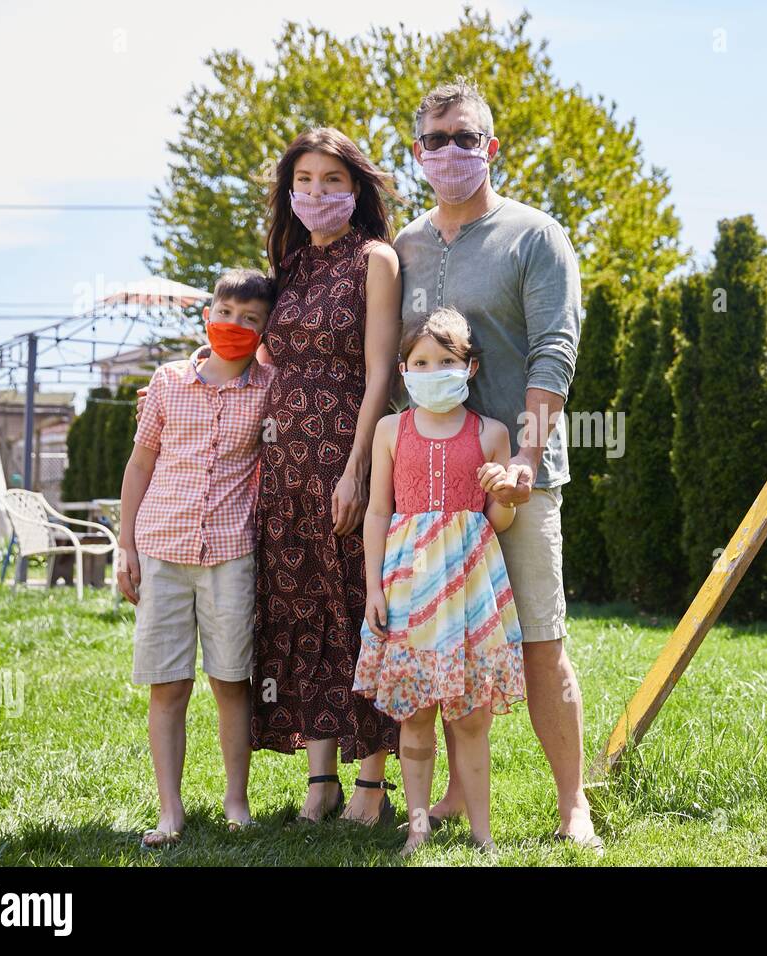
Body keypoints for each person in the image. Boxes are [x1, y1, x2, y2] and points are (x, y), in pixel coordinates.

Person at [393, 80, 600, 848]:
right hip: (431, 491)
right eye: (438, 139)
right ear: (418, 153)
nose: (452, 151)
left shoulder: (536, 236)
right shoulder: (406, 246)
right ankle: (450, 792)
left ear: (492, 146)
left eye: (466, 137)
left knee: (541, 641)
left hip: (520, 477)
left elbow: (556, 348)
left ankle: (572, 804)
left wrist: (525, 453)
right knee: (443, 640)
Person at [253, 128, 405, 824]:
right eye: (305, 180)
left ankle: (371, 785)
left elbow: (380, 372)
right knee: (300, 610)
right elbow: (261, 358)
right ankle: (321, 782)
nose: (317, 192)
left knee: (357, 609)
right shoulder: (285, 264)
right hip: (281, 466)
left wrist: (356, 472)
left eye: (332, 181)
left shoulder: (375, 259)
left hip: (346, 451)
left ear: (357, 189)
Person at [354, 306, 526, 855]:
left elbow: (499, 520)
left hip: (470, 588)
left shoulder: (491, 433)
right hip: (408, 586)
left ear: (469, 367)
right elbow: (378, 511)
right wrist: (375, 587)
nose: (433, 371)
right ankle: (418, 825)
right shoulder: (390, 429)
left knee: (472, 719)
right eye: (420, 362)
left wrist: (502, 496)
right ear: (404, 369)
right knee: (416, 715)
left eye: (445, 361)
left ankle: (483, 834)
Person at [119, 268, 277, 847]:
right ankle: (170, 810)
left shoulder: (269, 389)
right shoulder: (165, 382)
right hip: (162, 548)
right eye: (226, 313)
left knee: (232, 680)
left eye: (250, 320)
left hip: (231, 554)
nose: (234, 326)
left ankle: (237, 801)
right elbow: (140, 466)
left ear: (265, 331)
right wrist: (125, 542)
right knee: (168, 685)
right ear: (208, 314)